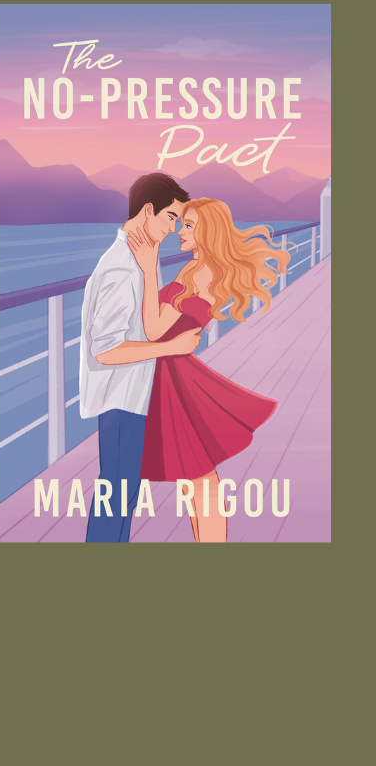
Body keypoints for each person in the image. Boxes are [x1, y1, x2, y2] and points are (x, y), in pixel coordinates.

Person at [126, 196, 286, 542]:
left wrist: (149, 266)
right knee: (196, 475)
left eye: (188, 225)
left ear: (208, 232)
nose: (180, 231)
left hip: (172, 376)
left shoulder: (199, 273)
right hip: (169, 370)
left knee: (198, 476)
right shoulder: (198, 269)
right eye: (181, 224)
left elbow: (154, 330)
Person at [78, 173, 202, 542]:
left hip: (130, 396)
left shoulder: (140, 258)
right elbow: (106, 349)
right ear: (148, 210)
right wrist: (171, 348)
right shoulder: (122, 268)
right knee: (116, 497)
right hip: (120, 400)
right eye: (170, 217)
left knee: (121, 495)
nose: (172, 228)